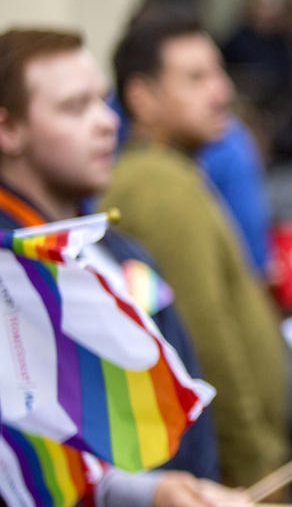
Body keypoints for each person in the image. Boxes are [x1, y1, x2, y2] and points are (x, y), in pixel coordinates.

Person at [0, 28, 245, 506]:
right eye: (75, 107)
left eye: (102, 101)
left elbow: (185, 406)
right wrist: (146, 494)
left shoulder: (119, 248)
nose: (106, 122)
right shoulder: (10, 275)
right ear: (8, 130)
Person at [98, 8, 291, 489]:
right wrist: (258, 471)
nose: (221, 90)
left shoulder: (171, 174)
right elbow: (207, 340)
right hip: (230, 480)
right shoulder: (159, 185)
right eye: (196, 77)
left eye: (219, 72)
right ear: (141, 97)